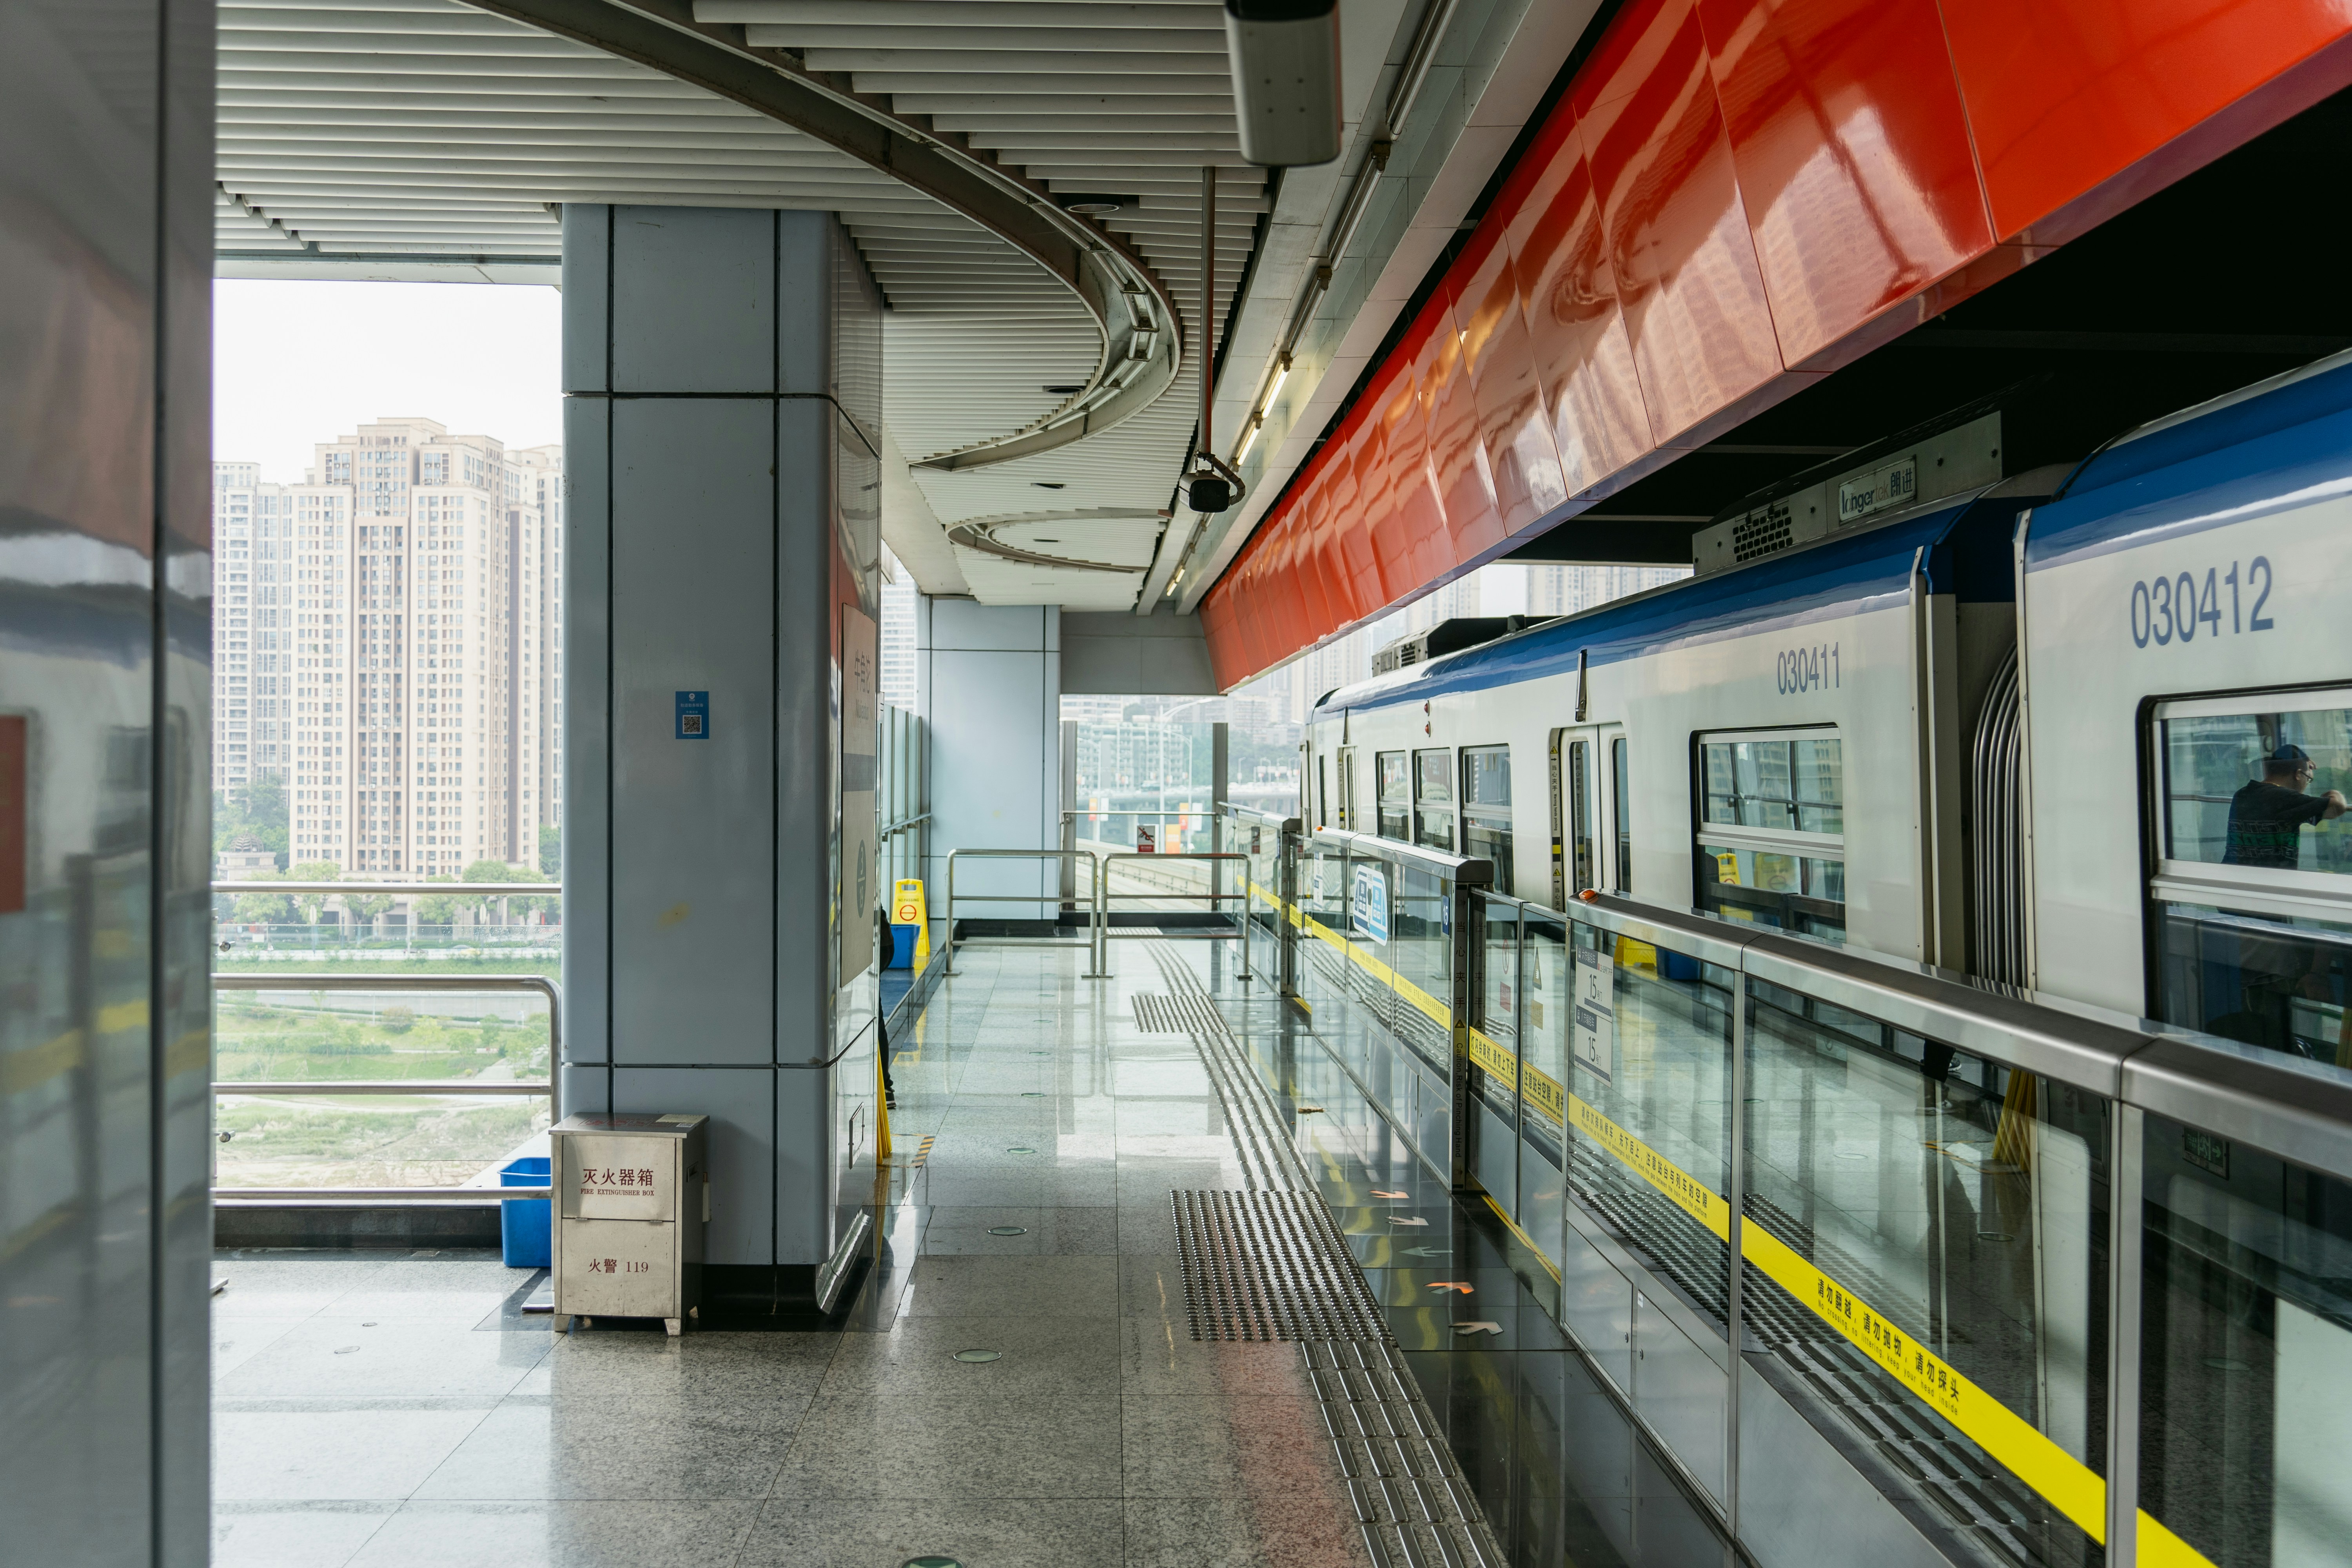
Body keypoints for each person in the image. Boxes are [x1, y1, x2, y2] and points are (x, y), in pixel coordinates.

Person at [2223, 744, 2346, 870]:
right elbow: (2338, 807)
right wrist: (2335, 793)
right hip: (2271, 881)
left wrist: (2301, 763)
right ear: (2298, 775)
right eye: (2309, 780)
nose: (2306, 785)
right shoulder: (2286, 799)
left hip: (2232, 874)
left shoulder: (2243, 793)